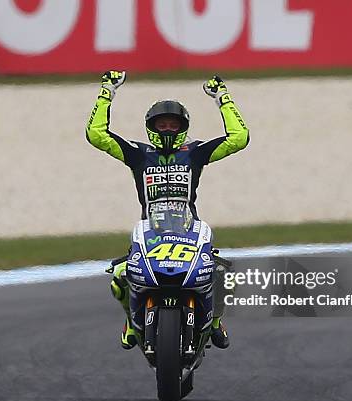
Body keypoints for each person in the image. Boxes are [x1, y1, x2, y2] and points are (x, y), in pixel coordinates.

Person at [86, 70, 249, 350]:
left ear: (183, 127)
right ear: (151, 127)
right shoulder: (139, 154)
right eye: (161, 125)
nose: (167, 130)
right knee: (119, 276)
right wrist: (106, 92)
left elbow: (239, 138)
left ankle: (213, 321)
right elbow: (96, 134)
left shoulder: (194, 153)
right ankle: (130, 322)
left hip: (189, 230)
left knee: (223, 273)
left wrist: (223, 98)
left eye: (173, 125)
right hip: (149, 233)